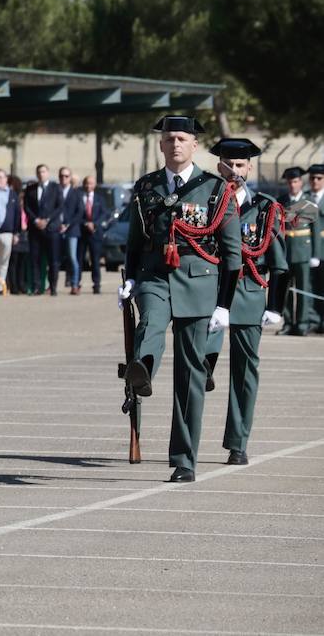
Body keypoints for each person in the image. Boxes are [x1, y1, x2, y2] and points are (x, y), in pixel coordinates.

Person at [120, 115, 240, 483]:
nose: (175, 144)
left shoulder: (216, 190)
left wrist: (224, 304)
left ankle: (184, 459)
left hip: (199, 283)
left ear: (194, 146)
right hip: (155, 275)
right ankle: (142, 372)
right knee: (150, 323)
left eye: (182, 139)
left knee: (190, 375)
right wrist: (128, 279)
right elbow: (137, 239)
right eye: (169, 138)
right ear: (161, 145)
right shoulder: (146, 186)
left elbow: (232, 252)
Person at [204, 138, 287, 466]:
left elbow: (280, 263)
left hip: (249, 295)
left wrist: (275, 305)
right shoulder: (206, 201)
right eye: (228, 164)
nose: (234, 171)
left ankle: (238, 442)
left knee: (244, 371)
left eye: (240, 165)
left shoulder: (264, 208)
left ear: (249, 168)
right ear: (218, 165)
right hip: (209, 296)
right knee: (198, 360)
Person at [277, 167, 319, 335]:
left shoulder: (308, 201)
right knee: (285, 290)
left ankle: (302, 323)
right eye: (290, 182)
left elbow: (315, 230)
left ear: (301, 182)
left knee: (303, 290)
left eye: (295, 181)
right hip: (286, 251)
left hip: (303, 251)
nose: (293, 185)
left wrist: (315, 254)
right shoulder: (281, 201)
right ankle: (287, 323)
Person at [24, 164, 62, 296]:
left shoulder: (55, 188)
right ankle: (36, 286)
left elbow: (59, 206)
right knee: (35, 259)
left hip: (51, 229)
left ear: (48, 173)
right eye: (39, 172)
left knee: (53, 260)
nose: (41, 174)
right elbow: (27, 207)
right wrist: (36, 220)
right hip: (35, 229)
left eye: (44, 172)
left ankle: (53, 287)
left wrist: (47, 220)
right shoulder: (30, 189)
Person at [55, 167, 82, 293]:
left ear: (70, 178)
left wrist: (67, 224)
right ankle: (52, 285)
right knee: (54, 258)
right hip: (56, 228)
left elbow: (79, 211)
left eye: (66, 176)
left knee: (72, 258)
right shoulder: (54, 191)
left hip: (71, 230)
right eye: (61, 176)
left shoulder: (76, 193)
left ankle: (75, 284)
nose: (63, 178)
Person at [311, 164, 324, 335]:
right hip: (311, 252)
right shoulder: (307, 198)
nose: (315, 181)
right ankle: (316, 321)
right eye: (312, 178)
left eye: (319, 178)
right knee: (313, 288)